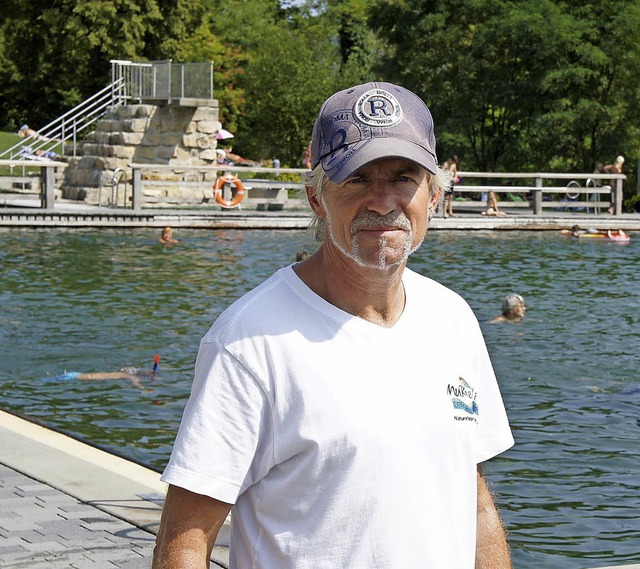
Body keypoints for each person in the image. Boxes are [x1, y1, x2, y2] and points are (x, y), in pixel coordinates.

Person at [153, 82, 514, 569]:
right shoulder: (248, 342)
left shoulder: (453, 318)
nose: (383, 201)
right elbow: (185, 545)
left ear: (434, 196)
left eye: (405, 177)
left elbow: (473, 505)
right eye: (358, 179)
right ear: (316, 198)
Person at [442, 154, 459, 218]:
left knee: (450, 198)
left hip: (451, 182)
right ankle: (444, 212)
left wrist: (455, 177)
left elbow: (455, 172)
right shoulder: (446, 164)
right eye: (453, 161)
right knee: (445, 198)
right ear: (450, 159)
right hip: (446, 182)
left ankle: (450, 212)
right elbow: (442, 172)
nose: (453, 163)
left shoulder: (454, 165)